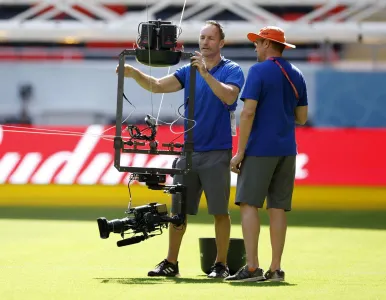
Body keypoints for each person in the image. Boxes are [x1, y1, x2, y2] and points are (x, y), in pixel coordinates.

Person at [116, 20, 245, 278]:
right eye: (202, 37)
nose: (205, 42)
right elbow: (157, 85)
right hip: (187, 151)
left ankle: (221, 264)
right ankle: (171, 263)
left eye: (210, 38)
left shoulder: (232, 70)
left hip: (217, 151)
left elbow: (229, 97)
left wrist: (206, 74)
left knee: (220, 211)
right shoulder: (189, 70)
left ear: (221, 43)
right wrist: (133, 73)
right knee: (178, 212)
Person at [224, 26, 308, 282]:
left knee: (249, 204)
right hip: (287, 149)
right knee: (278, 208)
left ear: (267, 44)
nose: (255, 47)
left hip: (260, 149)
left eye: (257, 43)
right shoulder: (297, 74)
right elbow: (302, 118)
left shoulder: (258, 71)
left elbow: (247, 113)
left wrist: (239, 153)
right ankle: (276, 269)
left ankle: (251, 267)